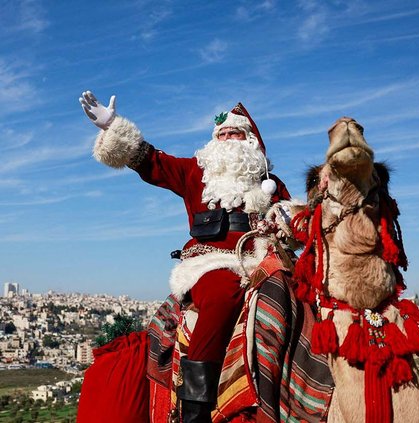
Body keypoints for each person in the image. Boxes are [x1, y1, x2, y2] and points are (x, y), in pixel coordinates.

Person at [79, 91, 290, 422]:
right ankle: (196, 410)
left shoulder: (271, 184)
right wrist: (113, 126)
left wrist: (282, 227)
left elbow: (293, 220)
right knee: (221, 294)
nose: (226, 139)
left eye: (234, 133)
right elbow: (152, 162)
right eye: (221, 134)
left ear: (249, 141)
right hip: (212, 264)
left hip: (262, 261)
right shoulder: (195, 172)